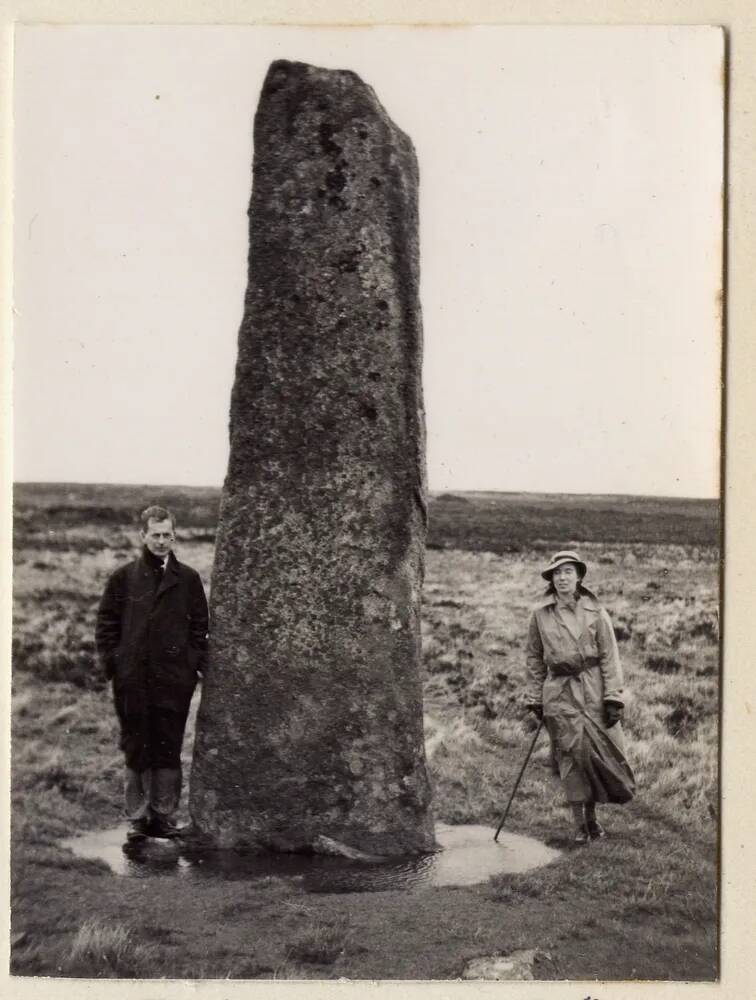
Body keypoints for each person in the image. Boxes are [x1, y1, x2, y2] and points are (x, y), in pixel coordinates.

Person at [95, 505, 209, 842]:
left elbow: (200, 626)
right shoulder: (123, 577)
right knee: (136, 745)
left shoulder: (187, 579)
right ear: (143, 536)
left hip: (173, 680)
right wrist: (116, 663)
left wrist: (190, 666)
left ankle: (163, 815)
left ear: (175, 536)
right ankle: (137, 817)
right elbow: (106, 625)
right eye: (155, 535)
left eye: (167, 535)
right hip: (132, 679)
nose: (162, 541)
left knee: (168, 744)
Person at [525, 549, 635, 844]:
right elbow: (535, 658)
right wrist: (536, 697)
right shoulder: (540, 614)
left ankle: (593, 818)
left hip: (594, 690)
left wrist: (613, 698)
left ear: (579, 576)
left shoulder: (596, 612)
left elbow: (610, 657)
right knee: (570, 756)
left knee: (595, 757)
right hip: (559, 694)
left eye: (568, 572)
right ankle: (580, 825)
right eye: (557, 573)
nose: (562, 578)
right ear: (551, 578)